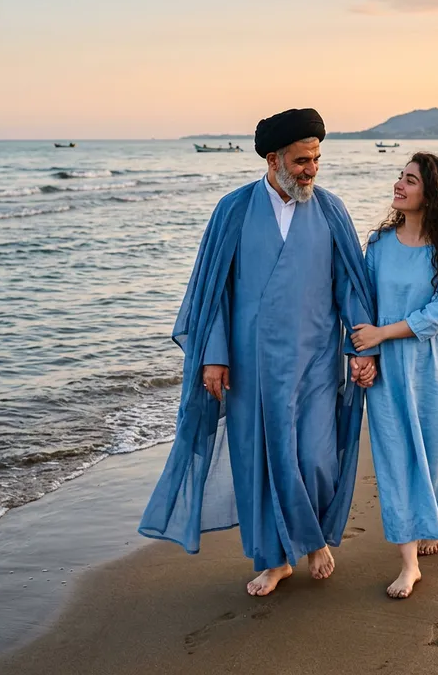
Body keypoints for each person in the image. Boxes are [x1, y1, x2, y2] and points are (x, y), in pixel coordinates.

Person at [139, 108, 379, 597]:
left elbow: (349, 286)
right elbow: (214, 294)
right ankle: (275, 561)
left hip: (314, 361)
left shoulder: (331, 209)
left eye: (315, 159)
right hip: (249, 365)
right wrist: (213, 355)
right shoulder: (233, 210)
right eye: (300, 161)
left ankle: (311, 539)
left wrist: (360, 343)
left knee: (314, 458)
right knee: (260, 463)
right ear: (273, 160)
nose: (310, 169)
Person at [350, 153, 438, 599]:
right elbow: (363, 303)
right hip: (389, 372)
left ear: (432, 194)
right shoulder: (379, 244)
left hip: (434, 368)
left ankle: (431, 520)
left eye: (410, 180)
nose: (399, 185)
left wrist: (382, 333)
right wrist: (360, 354)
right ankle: (408, 564)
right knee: (397, 460)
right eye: (400, 177)